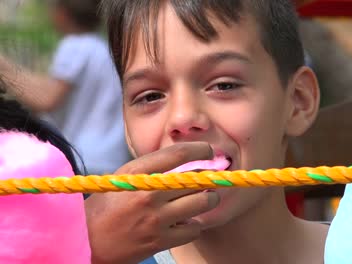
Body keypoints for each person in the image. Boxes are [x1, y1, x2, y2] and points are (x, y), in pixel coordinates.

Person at [87, 0, 327, 263]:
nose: (182, 118)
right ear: (127, 128)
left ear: (298, 102)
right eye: (150, 96)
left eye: (224, 85)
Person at [0, 0, 129, 174]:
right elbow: (48, 86)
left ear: (61, 13)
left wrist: (3, 69)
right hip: (111, 159)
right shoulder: (102, 48)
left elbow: (45, 99)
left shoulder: (74, 46)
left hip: (84, 159)